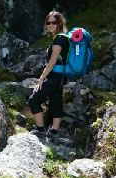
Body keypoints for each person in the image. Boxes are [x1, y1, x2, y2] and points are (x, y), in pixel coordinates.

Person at [28, 10, 69, 138]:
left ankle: (40, 129)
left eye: (54, 22)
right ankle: (53, 132)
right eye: (48, 22)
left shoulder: (59, 40)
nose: (50, 25)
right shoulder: (63, 38)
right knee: (55, 101)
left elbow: (51, 62)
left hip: (55, 77)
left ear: (59, 23)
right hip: (60, 78)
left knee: (33, 100)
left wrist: (41, 78)